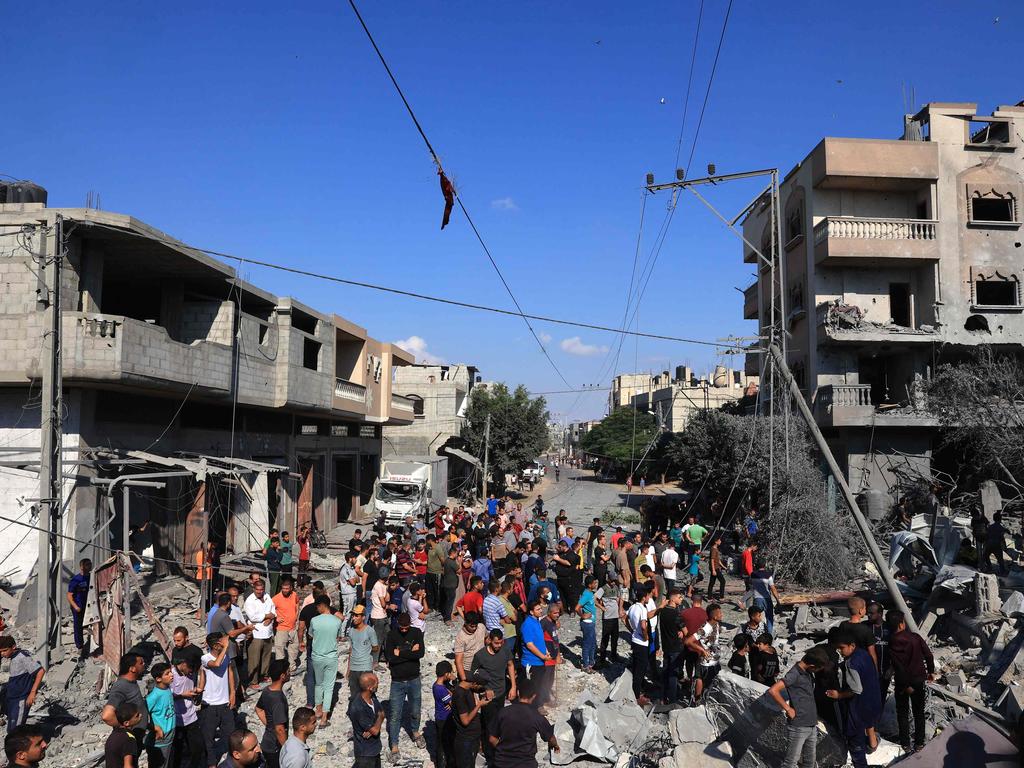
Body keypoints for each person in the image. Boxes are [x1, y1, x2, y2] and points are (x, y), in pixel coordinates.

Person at [768, 647, 832, 768]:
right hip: (798, 727)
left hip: (811, 725)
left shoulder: (807, 672)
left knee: (810, 762)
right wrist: (788, 708)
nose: (818, 671)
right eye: (818, 669)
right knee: (790, 763)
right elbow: (773, 690)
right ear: (812, 665)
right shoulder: (794, 673)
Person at [826, 630, 881, 768]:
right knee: (869, 725)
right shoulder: (864, 654)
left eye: (842, 648)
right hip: (873, 701)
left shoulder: (851, 664)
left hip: (858, 708)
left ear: (852, 645)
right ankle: (872, 743)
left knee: (855, 743)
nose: (840, 652)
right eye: (838, 649)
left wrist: (838, 695)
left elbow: (856, 689)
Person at [887, 609, 935, 754]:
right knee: (918, 712)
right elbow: (928, 655)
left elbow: (898, 667)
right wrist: (930, 672)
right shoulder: (915, 638)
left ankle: (905, 744)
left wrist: (905, 685)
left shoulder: (891, 642)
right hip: (917, 680)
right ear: (902, 624)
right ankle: (919, 743)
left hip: (902, 683)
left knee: (902, 712)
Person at [488, 675, 558, 768]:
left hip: (502, 763)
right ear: (534, 696)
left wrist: (503, 751)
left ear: (518, 693)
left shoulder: (503, 712)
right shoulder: (537, 717)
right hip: (526, 764)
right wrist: (555, 745)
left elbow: (492, 739)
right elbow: (551, 738)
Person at [470, 630, 517, 765]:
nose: (498, 646)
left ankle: (495, 746)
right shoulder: (480, 656)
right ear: (489, 640)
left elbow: (510, 665)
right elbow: (474, 676)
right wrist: (484, 689)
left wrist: (513, 686)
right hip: (487, 697)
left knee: (499, 721)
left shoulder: (505, 650)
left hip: (501, 693)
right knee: (490, 725)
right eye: (496, 643)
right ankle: (490, 754)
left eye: (500, 643)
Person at [384, 613, 427, 758]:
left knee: (415, 710)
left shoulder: (416, 632)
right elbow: (390, 658)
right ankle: (394, 745)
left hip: (414, 679)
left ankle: (415, 732)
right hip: (397, 681)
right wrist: (409, 652)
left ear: (410, 624)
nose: (403, 630)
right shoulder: (391, 635)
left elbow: (420, 653)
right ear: (398, 625)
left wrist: (400, 652)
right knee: (395, 715)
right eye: (401, 628)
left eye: (406, 628)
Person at [199, 633, 236, 767]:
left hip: (225, 703)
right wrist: (225, 647)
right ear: (215, 646)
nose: (225, 644)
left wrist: (232, 693)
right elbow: (216, 664)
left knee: (231, 734)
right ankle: (211, 763)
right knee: (208, 737)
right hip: (210, 705)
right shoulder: (205, 658)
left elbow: (229, 671)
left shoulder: (225, 656)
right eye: (222, 642)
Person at [308, 595, 344, 726]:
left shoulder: (314, 620)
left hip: (317, 656)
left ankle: (318, 710)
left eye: (317, 606)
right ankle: (324, 717)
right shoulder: (337, 621)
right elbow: (339, 637)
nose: (317, 609)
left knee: (319, 684)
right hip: (331, 657)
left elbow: (311, 635)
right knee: (329, 687)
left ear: (322, 605)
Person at [0, 637, 45, 732]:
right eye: (1, 651)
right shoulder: (13, 657)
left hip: (21, 699)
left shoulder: (22, 657)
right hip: (13, 698)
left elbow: (40, 671)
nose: (3, 654)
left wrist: (32, 693)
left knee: (16, 729)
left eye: (5, 650)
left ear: (13, 647)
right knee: (12, 727)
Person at [102, 653, 149, 744]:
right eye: (141, 663)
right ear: (132, 669)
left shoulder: (131, 682)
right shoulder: (121, 686)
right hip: (130, 741)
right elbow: (107, 716)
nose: (144, 664)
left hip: (136, 737)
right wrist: (125, 727)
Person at [686, 603, 723, 704]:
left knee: (707, 680)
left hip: (714, 659)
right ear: (714, 616)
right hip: (705, 661)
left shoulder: (716, 624)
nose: (722, 615)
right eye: (720, 613)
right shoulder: (705, 628)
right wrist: (701, 650)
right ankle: (697, 701)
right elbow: (688, 641)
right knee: (700, 678)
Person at [255, 659, 290, 768]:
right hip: (275, 746)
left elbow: (258, 709)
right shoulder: (278, 699)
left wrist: (270, 725)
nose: (290, 673)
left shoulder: (267, 690)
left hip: (267, 743)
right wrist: (287, 750)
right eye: (288, 671)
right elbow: (279, 729)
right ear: (282, 676)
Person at [170, 654, 203, 768]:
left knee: (197, 747)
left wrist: (197, 690)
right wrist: (183, 695)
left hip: (192, 716)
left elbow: (197, 679)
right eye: (190, 670)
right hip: (178, 719)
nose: (191, 673)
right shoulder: (171, 675)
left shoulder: (191, 672)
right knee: (177, 750)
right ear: (183, 664)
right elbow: (168, 696)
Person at [348, 672, 386, 768]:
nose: (378, 684)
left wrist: (372, 725)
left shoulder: (372, 697)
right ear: (370, 687)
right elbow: (376, 730)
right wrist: (378, 719)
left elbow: (382, 713)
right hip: (365, 752)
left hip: (374, 748)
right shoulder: (358, 707)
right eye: (376, 682)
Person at [243, 580, 276, 689]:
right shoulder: (250, 601)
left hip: (267, 632)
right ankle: (253, 680)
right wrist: (267, 616)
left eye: (261, 589)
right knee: (254, 658)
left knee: (266, 656)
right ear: (254, 589)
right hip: (256, 632)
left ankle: (264, 675)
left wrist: (270, 619)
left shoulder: (267, 596)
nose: (259, 592)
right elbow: (253, 617)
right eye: (257, 589)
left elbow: (273, 610)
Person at [297, 582, 326, 707]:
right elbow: (340, 617)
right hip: (324, 644)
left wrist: (300, 641)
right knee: (323, 673)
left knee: (311, 674)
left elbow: (301, 628)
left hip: (311, 644)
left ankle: (310, 702)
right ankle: (321, 701)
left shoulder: (306, 609)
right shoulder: (326, 610)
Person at [452, 671, 488, 768]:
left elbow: (479, 690)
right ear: (474, 684)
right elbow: (465, 721)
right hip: (466, 739)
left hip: (472, 737)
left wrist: (487, 691)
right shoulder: (460, 695)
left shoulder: (467, 689)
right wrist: (479, 705)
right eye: (479, 686)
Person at [626, 584, 653, 706]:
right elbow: (643, 625)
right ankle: (637, 696)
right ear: (644, 597)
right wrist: (645, 636)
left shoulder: (632, 607)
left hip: (634, 640)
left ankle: (636, 691)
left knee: (636, 667)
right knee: (640, 671)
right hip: (641, 643)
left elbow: (624, 618)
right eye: (648, 595)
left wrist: (632, 630)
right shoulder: (642, 609)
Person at [145, 663, 176, 768]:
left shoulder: (167, 689)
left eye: (171, 672)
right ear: (158, 679)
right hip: (159, 741)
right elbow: (140, 717)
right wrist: (155, 728)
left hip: (168, 737)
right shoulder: (154, 696)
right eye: (167, 674)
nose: (171, 675)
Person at [659, 589, 686, 704]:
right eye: (679, 597)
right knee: (673, 674)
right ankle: (673, 699)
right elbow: (686, 630)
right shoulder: (676, 614)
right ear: (673, 598)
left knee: (665, 672)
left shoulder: (663, 611)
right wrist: (682, 631)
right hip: (675, 647)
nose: (681, 599)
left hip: (666, 646)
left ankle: (663, 697)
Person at [347, 605, 379, 698]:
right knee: (354, 694)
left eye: (357, 615)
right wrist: (348, 669)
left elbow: (375, 647)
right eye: (353, 615)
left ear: (363, 617)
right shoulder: (351, 631)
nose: (354, 618)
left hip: (365, 666)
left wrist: (366, 649)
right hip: (354, 667)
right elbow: (351, 649)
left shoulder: (370, 631)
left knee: (368, 694)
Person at [272, 578, 300, 672]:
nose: (285, 590)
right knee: (280, 649)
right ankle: (280, 669)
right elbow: (269, 610)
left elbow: (297, 603)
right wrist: (276, 617)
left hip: (292, 627)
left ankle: (291, 666)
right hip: (281, 628)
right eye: (283, 588)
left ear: (291, 588)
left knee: (294, 647)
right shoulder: (276, 598)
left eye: (287, 588)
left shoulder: (294, 594)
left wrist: (296, 615)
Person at [432, 662, 456, 768]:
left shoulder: (436, 685)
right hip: (444, 718)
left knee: (442, 742)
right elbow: (453, 703)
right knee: (444, 744)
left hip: (440, 716)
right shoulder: (441, 689)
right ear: (446, 674)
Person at [749, 560, 781, 635]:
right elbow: (773, 589)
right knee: (769, 618)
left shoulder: (753, 574)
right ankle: (769, 635)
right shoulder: (768, 575)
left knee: (755, 617)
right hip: (767, 599)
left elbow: (751, 585)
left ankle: (755, 633)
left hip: (757, 598)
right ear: (765, 565)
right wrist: (778, 600)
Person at [67, 558, 92, 651]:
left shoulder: (91, 577)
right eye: (87, 565)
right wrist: (75, 606)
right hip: (78, 606)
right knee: (78, 626)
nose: (89, 566)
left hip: (88, 605)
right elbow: (69, 595)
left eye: (90, 564)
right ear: (81, 567)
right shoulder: (76, 579)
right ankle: (80, 645)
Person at [105, 703, 142, 768]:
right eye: (137, 715)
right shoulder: (129, 739)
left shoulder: (114, 733)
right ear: (126, 723)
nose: (140, 715)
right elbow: (127, 766)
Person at [453, 612, 487, 683]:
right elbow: (458, 660)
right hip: (468, 669)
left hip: (482, 665)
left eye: (475, 626)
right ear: (465, 623)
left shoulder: (481, 627)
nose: (474, 628)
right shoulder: (460, 637)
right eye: (472, 626)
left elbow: (487, 639)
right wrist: (463, 678)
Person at [576, 575, 599, 673]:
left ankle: (591, 663)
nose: (595, 584)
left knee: (592, 643)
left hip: (591, 622)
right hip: (587, 623)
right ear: (590, 585)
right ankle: (586, 665)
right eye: (594, 583)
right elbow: (577, 608)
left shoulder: (590, 593)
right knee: (587, 644)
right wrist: (583, 615)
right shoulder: (586, 595)